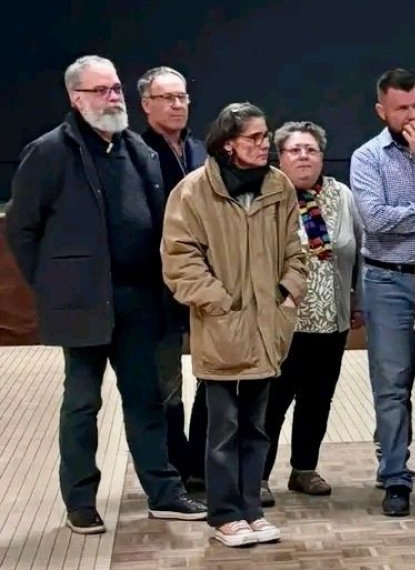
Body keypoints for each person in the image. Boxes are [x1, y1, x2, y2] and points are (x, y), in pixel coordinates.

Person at [7, 54, 206, 535]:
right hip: (85, 302)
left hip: (141, 299)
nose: (113, 97)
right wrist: (55, 286)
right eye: (102, 90)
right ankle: (80, 501)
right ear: (76, 98)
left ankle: (163, 491)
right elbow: (22, 229)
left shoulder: (136, 148)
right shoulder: (51, 151)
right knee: (82, 403)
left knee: (147, 400)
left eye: (116, 88)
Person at [162, 102, 307, 546]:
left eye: (265, 137)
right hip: (221, 330)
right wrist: (220, 303)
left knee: (256, 428)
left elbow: (296, 249)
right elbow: (180, 261)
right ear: (228, 144)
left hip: (268, 328)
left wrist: (287, 293)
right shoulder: (192, 192)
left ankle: (251, 508)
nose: (265, 145)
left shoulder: (279, 186)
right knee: (221, 430)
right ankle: (225, 514)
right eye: (255, 138)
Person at [349, 68, 415, 515]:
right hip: (387, 279)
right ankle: (394, 475)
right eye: (403, 109)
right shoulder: (367, 157)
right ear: (382, 111)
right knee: (391, 385)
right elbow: (374, 219)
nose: (414, 116)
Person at [261, 121, 363, 504]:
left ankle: (304, 468)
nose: (304, 156)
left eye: (311, 150)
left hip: (332, 321)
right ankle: (258, 475)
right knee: (272, 403)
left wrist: (356, 303)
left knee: (318, 400)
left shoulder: (342, 195)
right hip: (283, 322)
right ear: (280, 156)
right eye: (294, 150)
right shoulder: (268, 194)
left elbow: (358, 253)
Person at [137, 65, 210, 493]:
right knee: (167, 387)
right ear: (146, 105)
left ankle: (201, 461)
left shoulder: (202, 151)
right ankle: (172, 470)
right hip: (155, 285)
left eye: (182, 96)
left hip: (204, 281)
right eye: (167, 98)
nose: (178, 104)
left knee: (213, 374)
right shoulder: (133, 152)